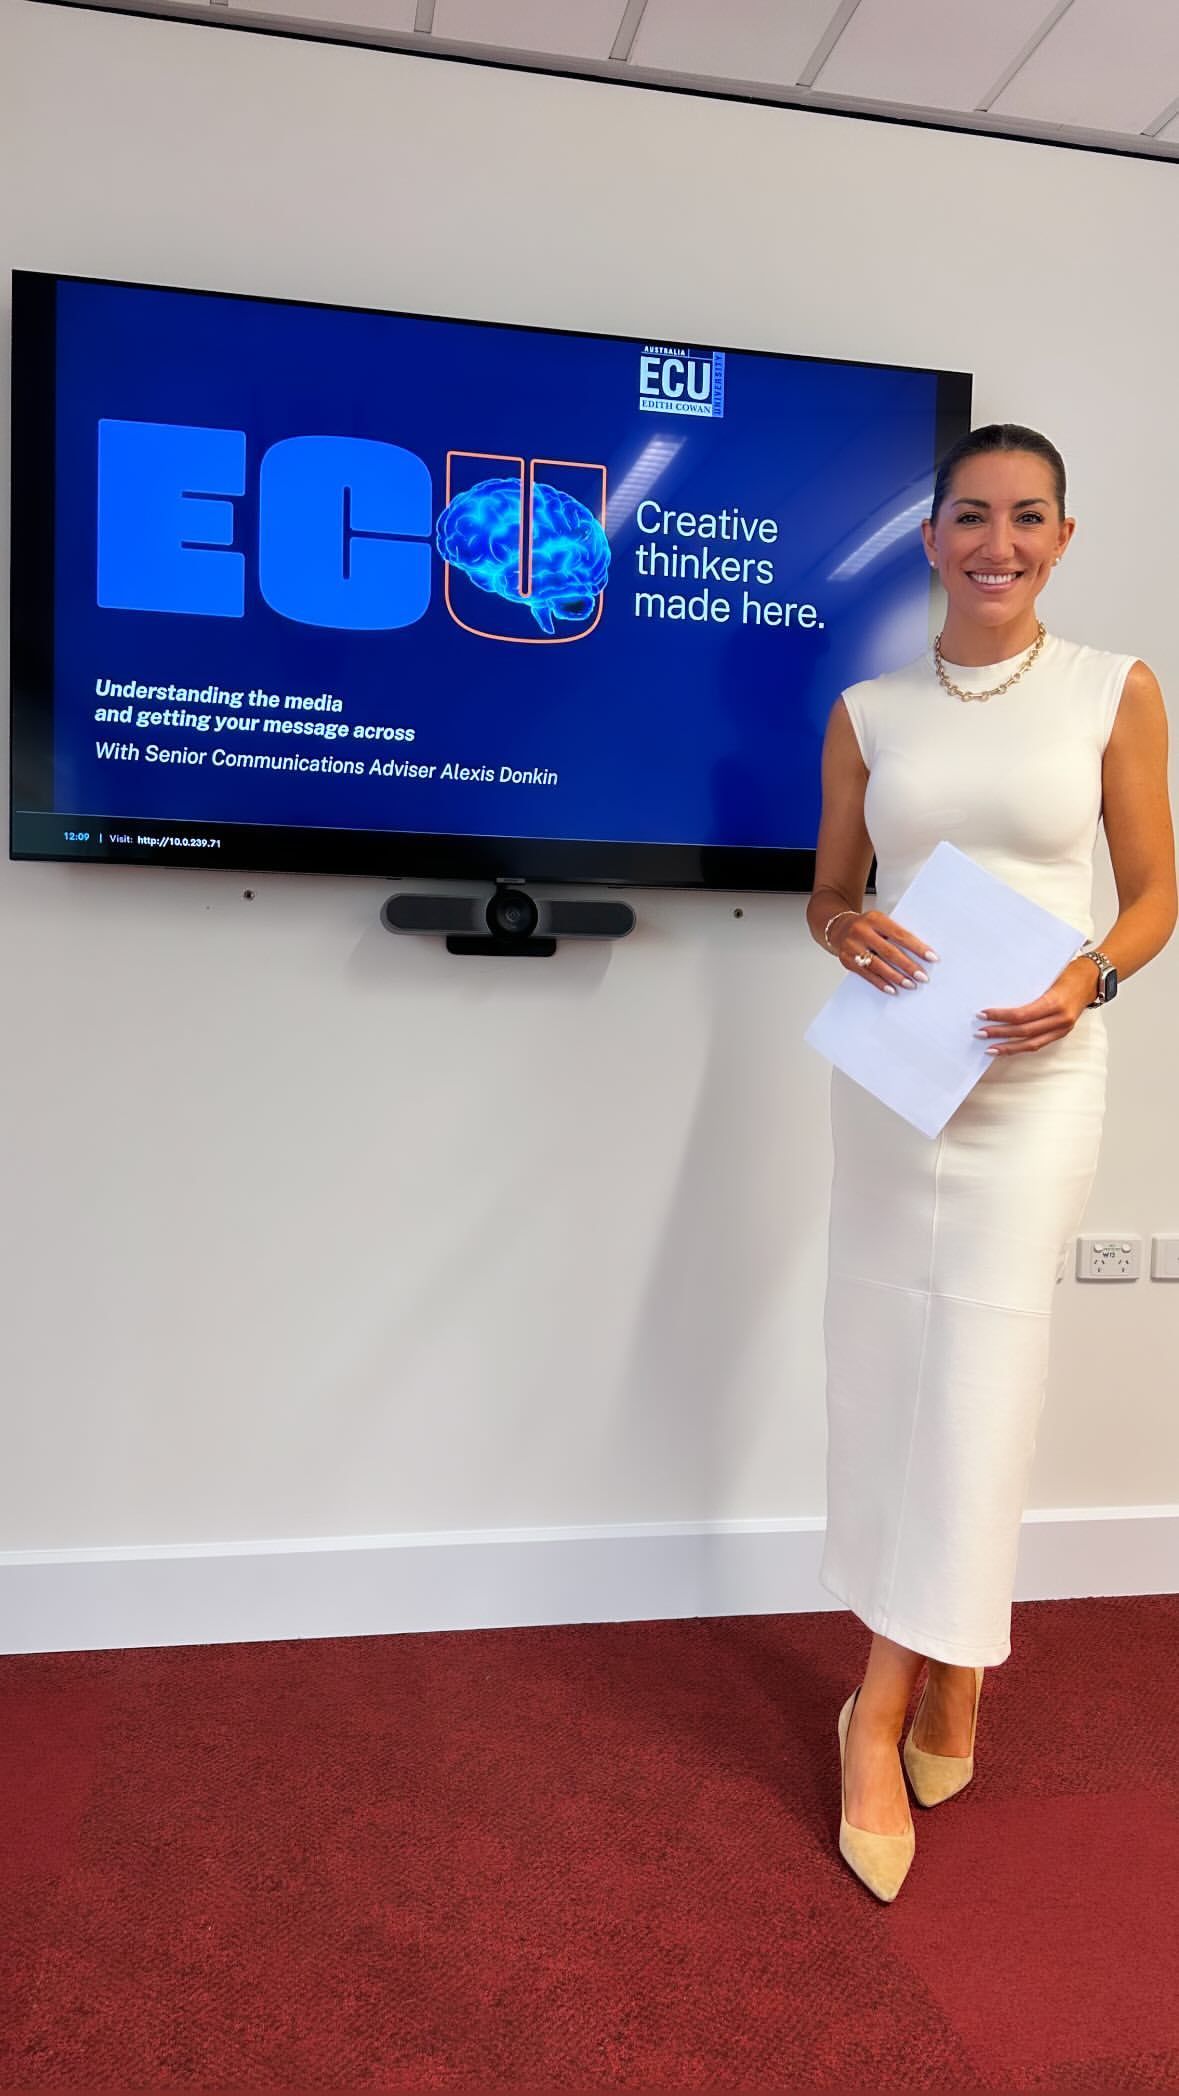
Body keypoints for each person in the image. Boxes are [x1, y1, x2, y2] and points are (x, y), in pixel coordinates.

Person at [807, 423, 1176, 1902]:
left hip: (1036, 1079)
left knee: (984, 1372)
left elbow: (1154, 894)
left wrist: (1087, 978)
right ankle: (944, 1661)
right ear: (931, 537)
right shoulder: (870, 712)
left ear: (1063, 539)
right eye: (970, 516)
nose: (997, 543)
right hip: (897, 1081)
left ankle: (883, 1699)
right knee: (886, 1360)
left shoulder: (1112, 688)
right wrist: (848, 928)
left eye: (1028, 518)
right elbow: (830, 891)